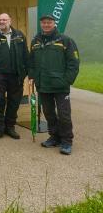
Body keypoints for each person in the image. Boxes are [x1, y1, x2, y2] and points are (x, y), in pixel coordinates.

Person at [28, 15, 80, 155]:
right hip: (43, 85)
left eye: (49, 22)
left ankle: (67, 141)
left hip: (60, 86)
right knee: (49, 113)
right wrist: (32, 76)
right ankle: (54, 137)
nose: (46, 25)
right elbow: (31, 62)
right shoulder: (35, 41)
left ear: (54, 23)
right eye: (44, 23)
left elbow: (74, 63)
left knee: (64, 114)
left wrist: (66, 81)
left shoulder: (65, 40)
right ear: (41, 24)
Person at [0, 13, 29, 141]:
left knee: (14, 102)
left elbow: (26, 55)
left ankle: (10, 127)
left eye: (4, 19)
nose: (2, 21)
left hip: (16, 76)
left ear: (10, 21)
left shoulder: (19, 36)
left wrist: (26, 73)